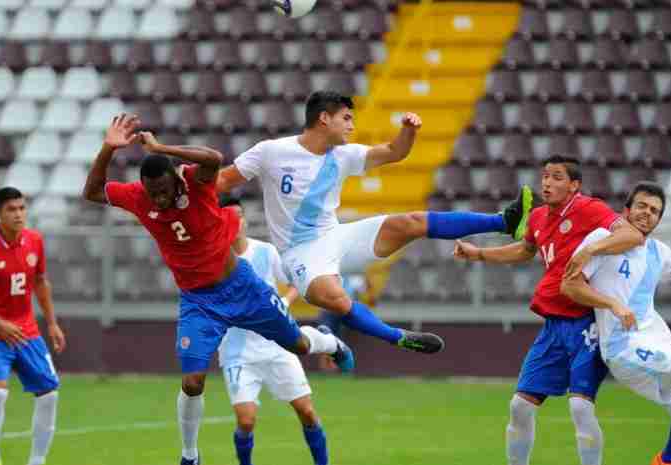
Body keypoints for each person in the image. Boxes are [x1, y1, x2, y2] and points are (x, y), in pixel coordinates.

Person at [82, 114, 351, 465]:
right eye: (153, 193)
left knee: (298, 344)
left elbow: (212, 158)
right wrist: (108, 149)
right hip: (198, 301)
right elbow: (91, 191)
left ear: (175, 180)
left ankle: (331, 341)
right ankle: (190, 456)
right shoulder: (138, 196)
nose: (159, 199)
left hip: (242, 287)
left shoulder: (195, 182)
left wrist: (161, 147)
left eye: (163, 191)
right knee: (192, 381)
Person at [216, 90, 533, 357]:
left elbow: (395, 151)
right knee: (335, 298)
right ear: (324, 119)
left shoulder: (344, 155)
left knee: (409, 222)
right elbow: (222, 181)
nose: (352, 126)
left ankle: (505, 221)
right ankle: (398, 337)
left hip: (335, 236)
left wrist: (408, 131)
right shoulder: (271, 152)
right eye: (347, 118)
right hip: (299, 253)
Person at [453, 155, 645, 465]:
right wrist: (479, 254)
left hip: (587, 323)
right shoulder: (539, 216)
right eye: (545, 176)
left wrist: (591, 249)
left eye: (557, 177)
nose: (547, 182)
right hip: (554, 327)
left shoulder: (589, 208)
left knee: (581, 408)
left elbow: (632, 235)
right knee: (519, 406)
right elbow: (526, 250)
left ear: (574, 185)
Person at [561, 181, 671, 465]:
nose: (647, 213)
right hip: (623, 348)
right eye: (641, 206)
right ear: (626, 210)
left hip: (653, 344)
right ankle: (668, 459)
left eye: (655, 210)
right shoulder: (602, 238)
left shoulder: (657, 251)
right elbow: (569, 287)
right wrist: (612, 304)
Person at [0, 187, 66, 465]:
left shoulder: (35, 241)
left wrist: (52, 323)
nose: (18, 214)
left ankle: (37, 461)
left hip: (27, 331)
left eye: (21, 208)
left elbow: (41, 282)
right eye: (11, 209)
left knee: (49, 396)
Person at [219, 198, 329, 465]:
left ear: (245, 221)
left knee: (307, 411)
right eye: (229, 217)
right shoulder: (214, 260)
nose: (237, 222)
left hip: (278, 346)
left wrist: (286, 301)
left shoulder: (265, 251)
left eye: (240, 216)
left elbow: (294, 282)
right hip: (238, 352)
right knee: (246, 420)